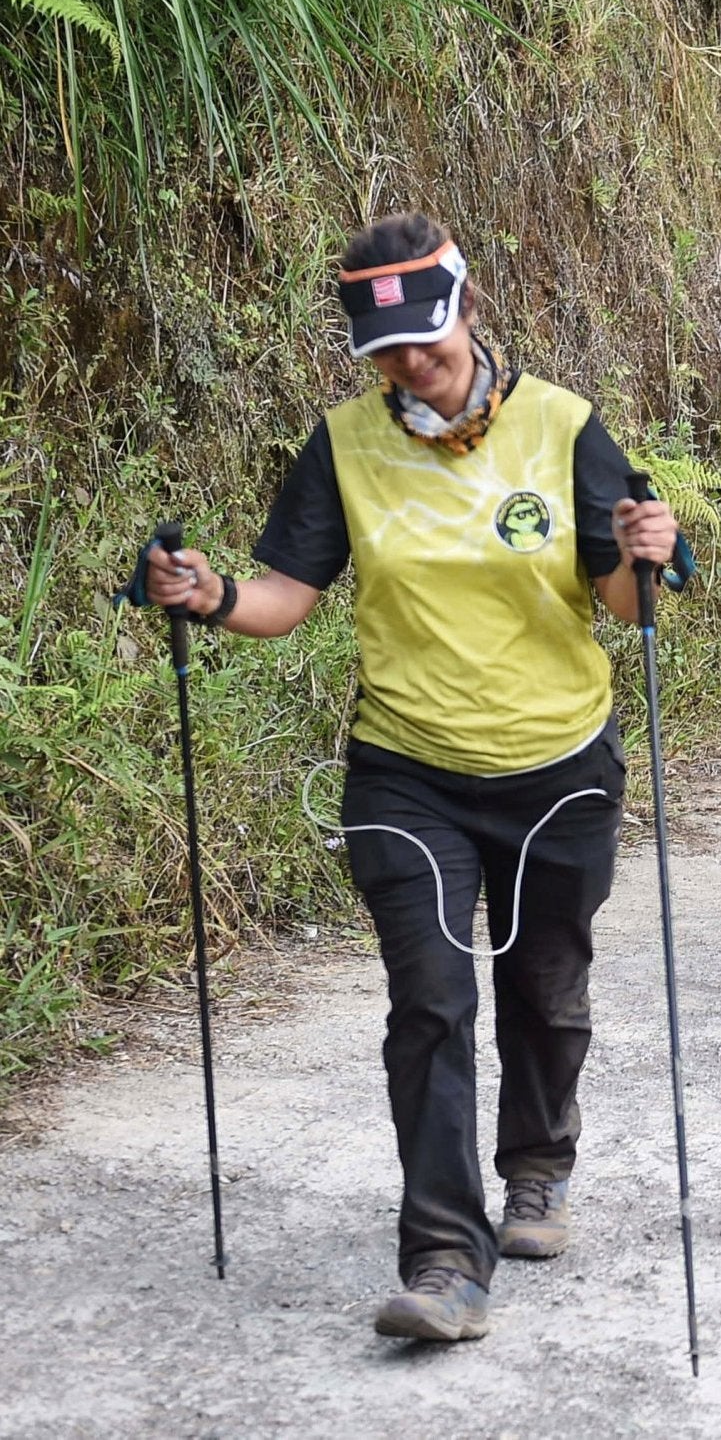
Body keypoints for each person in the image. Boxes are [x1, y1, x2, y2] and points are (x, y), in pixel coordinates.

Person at [138, 213, 679, 1343]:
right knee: (429, 1003)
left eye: (426, 349)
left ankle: (537, 1165)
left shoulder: (563, 427)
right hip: (407, 772)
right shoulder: (342, 444)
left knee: (546, 989)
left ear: (470, 314)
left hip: (559, 767)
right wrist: (209, 597)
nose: (408, 373)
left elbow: (621, 607)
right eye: (386, 357)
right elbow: (287, 595)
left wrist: (644, 554)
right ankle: (443, 1258)